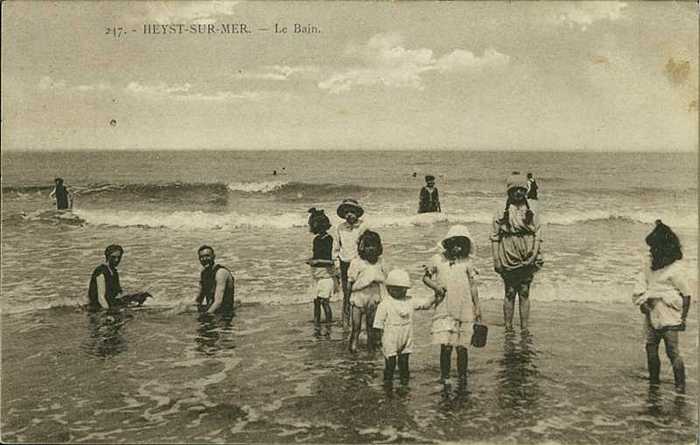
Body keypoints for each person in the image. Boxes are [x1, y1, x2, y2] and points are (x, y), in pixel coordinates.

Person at [632, 220, 693, 393]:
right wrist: (642, 303)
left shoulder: (674, 269)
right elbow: (641, 286)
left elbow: (686, 294)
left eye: (653, 248)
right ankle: (654, 382)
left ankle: (680, 387)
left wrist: (683, 318)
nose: (651, 252)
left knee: (672, 351)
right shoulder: (649, 267)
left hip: (670, 314)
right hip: (652, 313)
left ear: (664, 249)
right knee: (650, 348)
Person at [423, 225, 482, 387]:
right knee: (446, 344)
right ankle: (445, 376)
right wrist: (435, 287)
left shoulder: (467, 262)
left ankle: (462, 376)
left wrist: (477, 308)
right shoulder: (437, 259)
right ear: (448, 243)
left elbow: (473, 286)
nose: (457, 248)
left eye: (461, 245)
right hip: (445, 307)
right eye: (454, 244)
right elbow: (426, 278)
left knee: (462, 346)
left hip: (464, 308)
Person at [490, 172, 543, 333]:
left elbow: (538, 234)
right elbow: (494, 236)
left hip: (528, 251)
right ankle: (508, 327)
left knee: (525, 291)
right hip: (508, 252)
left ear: (525, 190)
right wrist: (496, 259)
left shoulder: (533, 207)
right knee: (510, 291)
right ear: (509, 191)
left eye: (521, 189)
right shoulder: (501, 208)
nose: (518, 193)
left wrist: (534, 254)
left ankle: (525, 328)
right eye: (515, 190)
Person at [373, 269, 438, 385]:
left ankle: (404, 383)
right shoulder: (385, 303)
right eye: (395, 289)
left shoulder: (410, 300)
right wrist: (377, 340)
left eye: (402, 289)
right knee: (390, 363)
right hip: (390, 336)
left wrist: (436, 295)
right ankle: (387, 383)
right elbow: (378, 323)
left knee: (404, 361)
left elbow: (425, 304)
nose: (399, 291)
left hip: (406, 335)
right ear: (388, 289)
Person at [348, 230, 385, 353]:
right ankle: (353, 347)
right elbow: (350, 282)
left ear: (378, 247)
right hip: (358, 296)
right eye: (367, 246)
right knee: (356, 327)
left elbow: (387, 279)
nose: (371, 249)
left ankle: (371, 347)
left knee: (371, 326)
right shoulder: (357, 262)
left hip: (374, 296)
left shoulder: (380, 262)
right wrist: (348, 301)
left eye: (373, 245)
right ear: (362, 247)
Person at [333, 199, 369, 326]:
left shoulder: (363, 226)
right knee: (346, 293)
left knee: (360, 292)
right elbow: (336, 248)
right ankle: (346, 321)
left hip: (359, 263)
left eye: (352, 212)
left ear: (357, 214)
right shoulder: (340, 228)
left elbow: (367, 245)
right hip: (345, 263)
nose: (349, 214)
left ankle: (361, 321)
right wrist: (336, 265)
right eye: (346, 212)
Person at [307, 208, 335, 324]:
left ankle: (328, 323)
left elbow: (331, 260)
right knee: (316, 301)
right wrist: (312, 260)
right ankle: (317, 321)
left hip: (326, 275)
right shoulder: (316, 239)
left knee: (324, 301)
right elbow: (317, 256)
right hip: (317, 274)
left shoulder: (329, 239)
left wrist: (316, 261)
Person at [195, 245, 235, 319]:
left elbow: (218, 302)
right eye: (201, 257)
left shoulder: (221, 273)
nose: (204, 259)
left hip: (225, 315)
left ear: (213, 256)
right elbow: (198, 300)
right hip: (212, 311)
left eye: (207, 256)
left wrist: (206, 315)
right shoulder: (204, 274)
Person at [86, 244, 126, 311]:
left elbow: (118, 292)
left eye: (119, 257)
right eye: (113, 257)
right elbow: (101, 297)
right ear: (107, 256)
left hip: (110, 302)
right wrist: (108, 311)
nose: (116, 260)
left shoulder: (114, 271)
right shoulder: (101, 271)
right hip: (98, 306)